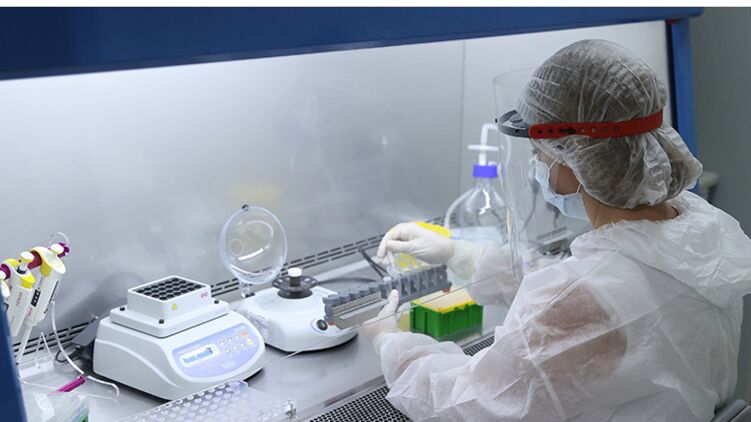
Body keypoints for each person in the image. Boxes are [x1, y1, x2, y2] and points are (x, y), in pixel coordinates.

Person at [363, 39, 751, 421]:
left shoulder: (588, 296)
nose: (539, 165)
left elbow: (463, 405)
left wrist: (392, 344)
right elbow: (593, 296)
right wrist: (456, 253)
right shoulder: (698, 228)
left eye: (540, 153)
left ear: (579, 157)